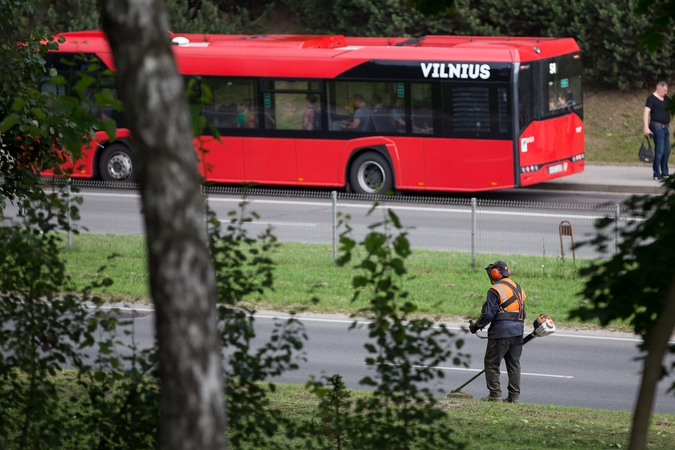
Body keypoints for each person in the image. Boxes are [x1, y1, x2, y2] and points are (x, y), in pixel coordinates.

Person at [469, 261, 527, 403]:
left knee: (492, 363)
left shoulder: (495, 289)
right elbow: (523, 314)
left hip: (501, 332)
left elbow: (488, 314)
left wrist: (476, 326)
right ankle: (514, 397)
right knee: (514, 364)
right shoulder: (518, 287)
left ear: (496, 273)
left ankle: (495, 396)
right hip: (518, 331)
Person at [643, 81, 671, 180]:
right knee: (659, 151)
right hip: (656, 127)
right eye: (664, 90)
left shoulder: (666, 99)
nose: (666, 92)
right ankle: (656, 173)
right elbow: (646, 113)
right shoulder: (651, 98)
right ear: (659, 89)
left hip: (665, 128)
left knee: (667, 151)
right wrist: (646, 127)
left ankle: (664, 172)